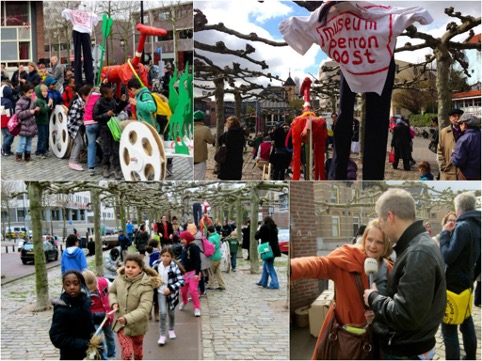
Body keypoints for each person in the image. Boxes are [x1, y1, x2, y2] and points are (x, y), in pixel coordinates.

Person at [280, 2, 432, 180]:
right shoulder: (335, 11)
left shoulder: (366, 12)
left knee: (354, 117)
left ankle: (349, 175)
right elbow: (413, 12)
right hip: (371, 63)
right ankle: (363, 177)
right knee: (368, 119)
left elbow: (300, 26)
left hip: (361, 62)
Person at [291, 220, 393, 359]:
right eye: (369, 239)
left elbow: (395, 307)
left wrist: (379, 315)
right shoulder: (347, 259)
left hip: (377, 341)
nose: (372, 246)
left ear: (386, 244)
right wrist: (291, 268)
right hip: (346, 340)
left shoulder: (390, 269)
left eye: (379, 242)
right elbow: (319, 265)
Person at [363, 188, 446, 360]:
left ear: (390, 216)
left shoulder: (418, 253)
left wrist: (374, 298)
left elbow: (405, 315)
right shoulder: (419, 246)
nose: (382, 229)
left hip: (405, 350)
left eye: (381, 221)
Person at [439, 192, 481, 361]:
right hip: (467, 283)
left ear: (459, 209)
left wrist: (445, 234)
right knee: (466, 321)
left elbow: (447, 256)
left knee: (449, 330)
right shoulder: (478, 225)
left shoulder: (463, 226)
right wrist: (472, 278)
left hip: (452, 286)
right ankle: (470, 357)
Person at [109, 254, 161, 360]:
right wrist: (113, 302)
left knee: (138, 353)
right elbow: (112, 292)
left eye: (133, 267)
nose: (129, 270)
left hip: (138, 325)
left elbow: (144, 308)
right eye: (127, 267)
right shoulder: (119, 279)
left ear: (140, 269)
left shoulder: (146, 285)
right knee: (127, 353)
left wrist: (127, 319)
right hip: (121, 324)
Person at [49, 270, 98, 360]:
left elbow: (85, 319)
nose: (72, 287)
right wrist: (84, 343)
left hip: (90, 354)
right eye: (68, 284)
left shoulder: (85, 302)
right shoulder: (62, 309)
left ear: (81, 284)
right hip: (71, 355)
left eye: (75, 283)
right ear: (63, 286)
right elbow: (57, 337)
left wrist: (100, 316)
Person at [93, 85, 128, 179]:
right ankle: (106, 167)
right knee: (106, 150)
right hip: (104, 128)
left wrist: (122, 102)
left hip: (114, 128)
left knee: (116, 149)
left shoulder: (112, 100)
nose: (113, 94)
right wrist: (106, 114)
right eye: (111, 93)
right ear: (105, 94)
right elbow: (95, 116)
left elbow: (117, 109)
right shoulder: (99, 103)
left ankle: (117, 169)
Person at [152, 247, 185, 346]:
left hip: (171, 294)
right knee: (162, 313)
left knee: (171, 312)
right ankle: (162, 335)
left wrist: (170, 288)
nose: (165, 258)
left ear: (171, 257)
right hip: (160, 292)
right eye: (163, 256)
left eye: (167, 256)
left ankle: (171, 329)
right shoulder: (156, 265)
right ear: (160, 256)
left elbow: (181, 281)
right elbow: (151, 277)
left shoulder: (174, 267)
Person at [82, 270, 116, 360]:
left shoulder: (104, 282)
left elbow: (113, 290)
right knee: (98, 340)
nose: (92, 291)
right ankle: (104, 358)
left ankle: (112, 354)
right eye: (90, 289)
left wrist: (115, 302)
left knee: (110, 336)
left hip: (108, 316)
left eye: (93, 288)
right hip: (95, 318)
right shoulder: (83, 293)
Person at [62, 5, 99, 86]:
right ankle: (83, 81)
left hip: (81, 31)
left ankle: (83, 81)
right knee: (82, 55)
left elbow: (64, 12)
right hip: (82, 31)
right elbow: (65, 12)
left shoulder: (90, 15)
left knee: (82, 55)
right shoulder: (89, 14)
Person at [67, 85, 91, 171]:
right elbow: (72, 116)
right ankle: (73, 161)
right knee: (78, 143)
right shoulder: (77, 102)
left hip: (77, 126)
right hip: (73, 126)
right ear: (84, 95)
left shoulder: (82, 102)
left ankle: (73, 161)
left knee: (79, 143)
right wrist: (82, 112)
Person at [178, 230, 202, 317]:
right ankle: (184, 301)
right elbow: (183, 259)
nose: (181, 241)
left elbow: (198, 261)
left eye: (183, 239)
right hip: (185, 272)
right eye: (181, 239)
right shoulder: (184, 247)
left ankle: (197, 308)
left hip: (193, 272)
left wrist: (197, 273)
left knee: (193, 290)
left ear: (187, 238)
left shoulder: (194, 247)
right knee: (183, 291)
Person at [451, 114, 481, 180]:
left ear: (464, 125)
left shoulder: (463, 140)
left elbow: (458, 161)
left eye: (460, 123)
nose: (459, 125)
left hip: (467, 176)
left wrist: (453, 154)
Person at [14, 83, 39, 163]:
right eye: (29, 92)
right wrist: (29, 112)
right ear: (24, 92)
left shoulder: (32, 101)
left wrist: (36, 110)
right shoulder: (20, 102)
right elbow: (18, 114)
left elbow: (34, 112)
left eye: (32, 92)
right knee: (22, 141)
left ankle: (27, 156)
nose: (31, 94)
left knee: (29, 141)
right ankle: (19, 155)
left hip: (31, 125)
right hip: (23, 125)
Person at [255, 216, 281, 289]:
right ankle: (263, 282)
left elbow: (256, 236)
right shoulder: (274, 228)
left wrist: (258, 229)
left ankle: (275, 284)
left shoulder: (264, 227)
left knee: (269, 267)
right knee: (265, 266)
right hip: (274, 249)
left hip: (267, 249)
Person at [438, 109, 464, 180]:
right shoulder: (444, 132)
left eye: (459, 116)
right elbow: (440, 150)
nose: (457, 118)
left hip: (464, 172)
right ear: (450, 118)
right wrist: (443, 165)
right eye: (454, 116)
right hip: (448, 171)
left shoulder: (466, 131)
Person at [217, 115, 245, 180]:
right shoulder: (241, 134)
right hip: (237, 160)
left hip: (227, 160)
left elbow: (219, 142)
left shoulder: (226, 135)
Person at [188, 223, 211, 297]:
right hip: (202, 258)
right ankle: (202, 290)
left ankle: (202, 291)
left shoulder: (196, 239)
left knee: (199, 276)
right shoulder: (198, 236)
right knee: (200, 276)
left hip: (200, 259)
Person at [193, 110, 215, 180]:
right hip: (199, 159)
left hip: (189, 159)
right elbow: (211, 141)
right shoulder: (205, 129)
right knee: (199, 179)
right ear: (203, 119)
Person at [84, 86, 101, 175]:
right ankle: (100, 138)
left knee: (91, 145)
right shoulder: (100, 98)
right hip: (96, 122)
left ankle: (91, 167)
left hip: (87, 123)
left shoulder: (88, 98)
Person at [33, 84, 53, 159]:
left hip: (45, 121)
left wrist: (49, 106)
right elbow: (43, 110)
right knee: (42, 137)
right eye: (43, 91)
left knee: (45, 136)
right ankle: (39, 151)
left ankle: (44, 150)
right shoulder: (38, 100)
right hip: (41, 122)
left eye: (46, 91)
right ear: (39, 92)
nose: (46, 93)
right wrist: (49, 104)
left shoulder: (43, 100)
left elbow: (46, 109)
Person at [207, 226, 226, 290]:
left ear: (209, 231)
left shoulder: (211, 239)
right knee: (218, 272)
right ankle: (222, 285)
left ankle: (211, 285)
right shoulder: (217, 235)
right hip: (219, 256)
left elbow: (211, 248)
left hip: (213, 257)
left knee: (211, 272)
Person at [1, 83, 15, 156]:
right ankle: (4, 148)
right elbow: (10, 113)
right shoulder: (8, 101)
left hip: (2, 122)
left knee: (5, 136)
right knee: (10, 135)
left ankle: (7, 150)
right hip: (7, 122)